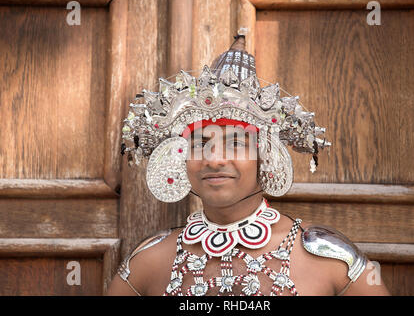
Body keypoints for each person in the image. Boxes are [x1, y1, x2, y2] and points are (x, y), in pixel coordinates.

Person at [107, 35, 390, 296]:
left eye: (236, 143)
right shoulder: (148, 262)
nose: (214, 159)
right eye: (199, 143)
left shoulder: (329, 260)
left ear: (266, 155)